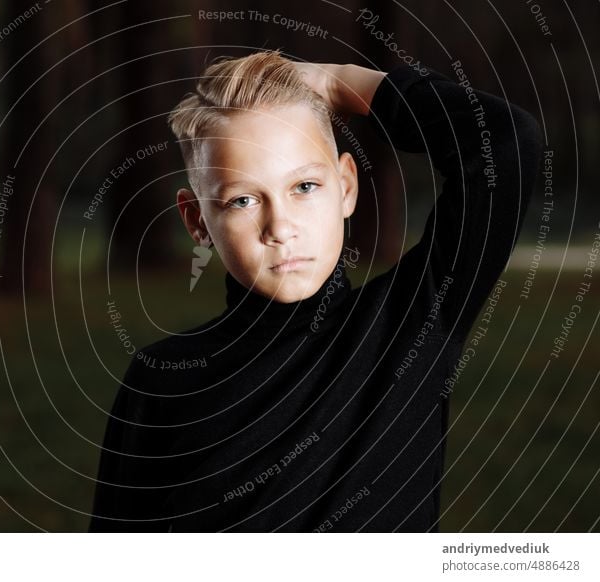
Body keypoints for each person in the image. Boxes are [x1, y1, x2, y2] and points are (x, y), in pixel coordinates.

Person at [89, 51, 543, 532]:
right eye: (243, 199)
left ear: (346, 187)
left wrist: (336, 81)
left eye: (304, 186)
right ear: (197, 220)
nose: (280, 228)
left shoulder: (411, 323)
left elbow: (506, 139)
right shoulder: (159, 381)